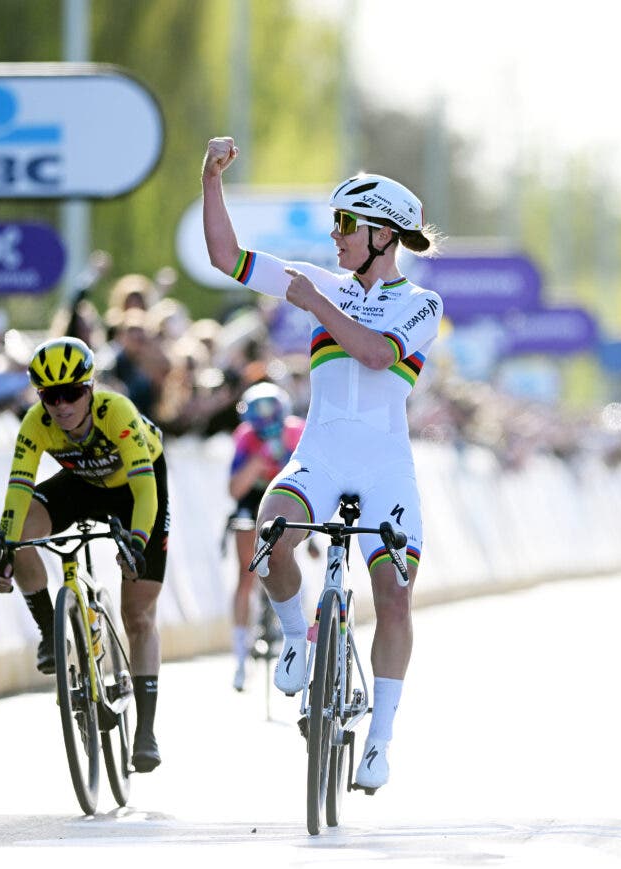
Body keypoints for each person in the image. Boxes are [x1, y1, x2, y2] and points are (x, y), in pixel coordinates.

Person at [202, 136, 443, 790]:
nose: (334, 235)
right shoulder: (324, 284)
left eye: (345, 223)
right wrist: (211, 180)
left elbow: (375, 354)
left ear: (382, 236)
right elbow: (227, 257)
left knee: (394, 598)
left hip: (385, 468)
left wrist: (313, 302)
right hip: (321, 453)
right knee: (270, 531)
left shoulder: (421, 304)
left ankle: (380, 740)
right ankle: (294, 638)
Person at [0, 337, 170, 772]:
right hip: (82, 485)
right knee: (19, 535)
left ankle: (145, 731)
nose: (62, 406)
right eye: (50, 396)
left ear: (90, 389)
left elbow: (146, 490)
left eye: (71, 393)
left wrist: (137, 543)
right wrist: (4, 551)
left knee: (138, 614)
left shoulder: (116, 411)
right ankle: (50, 631)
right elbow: (18, 489)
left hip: (134, 491)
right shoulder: (35, 423)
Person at [226, 381, 306, 691]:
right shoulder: (246, 437)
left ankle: (294, 634)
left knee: (289, 556)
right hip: (253, 499)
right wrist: (258, 460)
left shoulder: (296, 432)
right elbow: (235, 490)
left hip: (287, 497)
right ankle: (240, 658)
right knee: (245, 574)